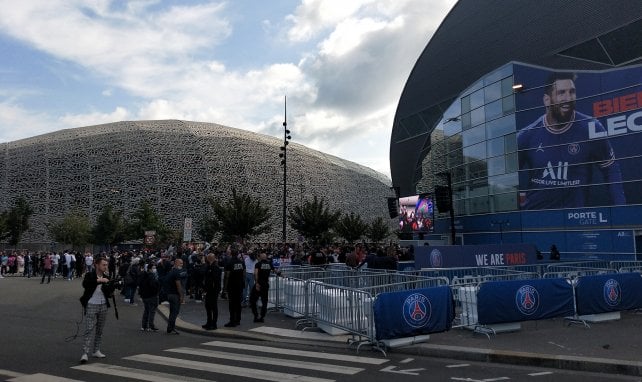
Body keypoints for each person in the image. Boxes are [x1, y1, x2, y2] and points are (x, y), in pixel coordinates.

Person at [518, 72, 626, 209]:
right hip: (538, 221)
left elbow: (611, 169)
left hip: (576, 221)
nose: (568, 98)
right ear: (547, 100)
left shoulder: (591, 128)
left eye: (572, 92)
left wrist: (621, 211)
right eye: (561, 93)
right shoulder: (527, 136)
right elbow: (507, 176)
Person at [78, 257, 114, 363]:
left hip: (103, 305)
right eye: (103, 265)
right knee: (88, 329)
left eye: (106, 265)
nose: (105, 267)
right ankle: (85, 353)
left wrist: (111, 287)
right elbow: (85, 284)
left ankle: (96, 350)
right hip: (91, 304)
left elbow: (109, 294)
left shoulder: (107, 276)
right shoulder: (90, 275)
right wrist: (99, 280)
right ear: (97, 265)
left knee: (100, 330)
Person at [250, 251, 280, 323]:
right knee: (264, 301)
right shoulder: (269, 264)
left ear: (260, 257)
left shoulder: (258, 264)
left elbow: (256, 274)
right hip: (265, 285)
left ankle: (256, 315)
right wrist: (281, 274)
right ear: (266, 257)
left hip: (259, 284)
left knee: (252, 300)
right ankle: (262, 317)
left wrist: (256, 283)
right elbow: (276, 271)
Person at [223, 248, 245, 327]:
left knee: (232, 304)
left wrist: (224, 289)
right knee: (238, 303)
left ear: (231, 253)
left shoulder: (229, 263)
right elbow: (244, 273)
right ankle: (238, 320)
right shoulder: (241, 262)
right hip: (239, 285)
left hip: (232, 286)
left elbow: (227, 276)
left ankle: (232, 321)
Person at [164, 258, 187, 334]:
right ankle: (171, 328)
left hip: (169, 294)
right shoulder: (177, 272)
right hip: (175, 295)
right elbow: (178, 285)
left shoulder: (170, 272)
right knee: (175, 312)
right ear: (176, 263)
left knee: (172, 312)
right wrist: (181, 296)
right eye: (180, 263)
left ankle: (170, 328)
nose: (182, 265)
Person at [138, 260, 160, 331]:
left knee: (146, 310)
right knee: (152, 311)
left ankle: (144, 325)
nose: (154, 269)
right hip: (152, 296)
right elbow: (153, 286)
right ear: (150, 268)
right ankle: (151, 326)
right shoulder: (152, 276)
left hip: (144, 296)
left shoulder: (143, 275)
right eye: (153, 268)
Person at [202, 253, 222, 330]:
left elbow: (215, 279)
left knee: (213, 307)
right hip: (209, 289)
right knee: (208, 306)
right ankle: (209, 322)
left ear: (209, 258)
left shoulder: (215, 267)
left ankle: (214, 324)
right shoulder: (209, 266)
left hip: (213, 290)